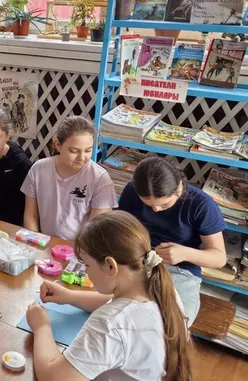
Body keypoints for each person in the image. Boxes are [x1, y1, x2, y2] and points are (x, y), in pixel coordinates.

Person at [26, 210, 190, 381]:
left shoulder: (110, 324)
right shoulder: (161, 288)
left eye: (86, 265)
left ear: (110, 266)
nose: (85, 271)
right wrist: (70, 296)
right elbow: (118, 304)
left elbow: (53, 377)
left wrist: (41, 326)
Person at [119, 157, 226, 326]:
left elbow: (219, 258)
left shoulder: (201, 204)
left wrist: (185, 253)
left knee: (172, 324)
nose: (156, 209)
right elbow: (121, 227)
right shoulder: (131, 191)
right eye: (148, 204)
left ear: (178, 188)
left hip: (180, 271)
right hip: (137, 261)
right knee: (114, 312)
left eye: (164, 204)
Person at [22, 116, 116, 240]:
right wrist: (35, 242)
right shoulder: (38, 169)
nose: (82, 157)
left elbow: (96, 230)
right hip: (44, 242)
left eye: (88, 150)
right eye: (74, 151)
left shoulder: (100, 178)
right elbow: (31, 216)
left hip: (81, 246)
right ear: (58, 145)